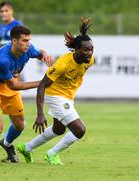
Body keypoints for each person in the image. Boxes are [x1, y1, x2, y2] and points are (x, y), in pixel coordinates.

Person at [0, 26, 55, 164]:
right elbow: (14, 85)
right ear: (14, 41)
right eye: (24, 40)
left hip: (9, 87)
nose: (28, 43)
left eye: (29, 40)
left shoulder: (28, 49)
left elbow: (40, 53)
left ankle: (7, 144)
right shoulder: (2, 60)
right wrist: (42, 82)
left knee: (20, 125)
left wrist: (46, 55)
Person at [17, 18, 94, 165]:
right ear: (76, 50)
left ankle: (27, 148)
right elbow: (41, 86)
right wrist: (40, 114)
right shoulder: (62, 64)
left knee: (58, 130)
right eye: (86, 50)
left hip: (68, 97)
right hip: (55, 96)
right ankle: (51, 154)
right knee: (80, 130)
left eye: (91, 49)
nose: (89, 53)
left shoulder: (89, 60)